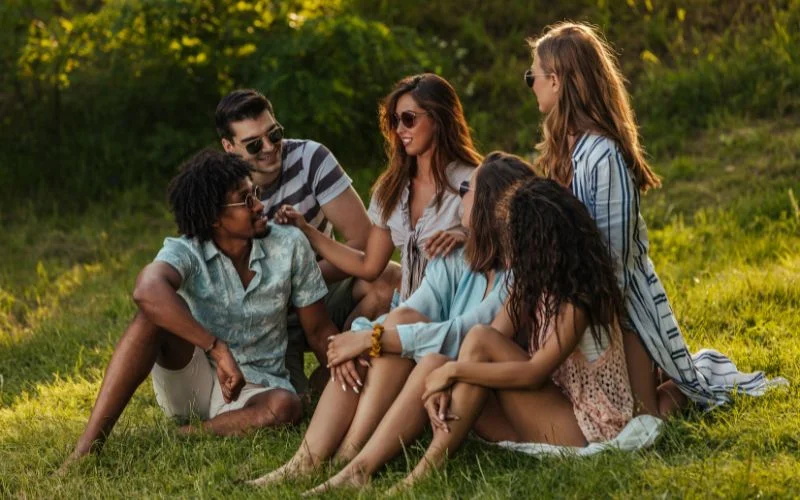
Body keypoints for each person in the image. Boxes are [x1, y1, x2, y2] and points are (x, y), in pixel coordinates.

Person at [524, 21, 780, 415]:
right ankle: (661, 372)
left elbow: (617, 261)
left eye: (533, 77)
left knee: (646, 418)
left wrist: (590, 326)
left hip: (624, 311)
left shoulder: (604, 156)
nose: (532, 85)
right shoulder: (568, 147)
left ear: (556, 81)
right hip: (585, 307)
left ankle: (683, 385)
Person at [248, 152, 536, 491]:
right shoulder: (458, 256)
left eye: (468, 188)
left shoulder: (519, 277)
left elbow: (463, 336)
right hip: (439, 381)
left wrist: (372, 339)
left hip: (479, 392)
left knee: (415, 351)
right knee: (398, 320)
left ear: (490, 203)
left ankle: (352, 462)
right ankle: (309, 461)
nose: (460, 194)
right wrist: (361, 337)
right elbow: (415, 308)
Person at [59, 150, 337, 471]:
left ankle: (187, 435)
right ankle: (86, 449)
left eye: (256, 194)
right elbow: (146, 289)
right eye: (245, 200)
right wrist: (217, 350)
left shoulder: (289, 244)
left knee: (286, 406)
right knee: (150, 317)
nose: (260, 206)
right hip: (192, 380)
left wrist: (344, 364)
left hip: (257, 389)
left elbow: (318, 331)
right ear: (213, 217)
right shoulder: (187, 249)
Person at [393, 178, 635, 489]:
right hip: (549, 406)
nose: (509, 246)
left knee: (468, 354)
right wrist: (450, 378)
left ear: (540, 242)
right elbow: (485, 340)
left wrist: (454, 370)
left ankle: (423, 473)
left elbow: (534, 373)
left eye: (516, 238)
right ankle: (378, 462)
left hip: (584, 425)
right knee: (477, 340)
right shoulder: (531, 281)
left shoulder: (578, 300)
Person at [216, 89, 400, 395]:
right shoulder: (221, 188)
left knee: (388, 277)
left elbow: (366, 245)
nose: (269, 148)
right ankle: (310, 384)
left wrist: (300, 283)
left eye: (274, 134)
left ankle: (339, 363)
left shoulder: (310, 157)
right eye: (253, 144)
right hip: (265, 315)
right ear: (229, 147)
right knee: (288, 404)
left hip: (320, 293)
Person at [274, 73, 482, 308]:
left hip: (455, 314)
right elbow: (368, 266)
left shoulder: (473, 181)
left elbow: (503, 252)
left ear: (438, 119)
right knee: (348, 339)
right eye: (395, 120)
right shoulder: (391, 188)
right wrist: (307, 230)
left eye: (409, 119)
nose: (400, 129)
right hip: (406, 313)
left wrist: (467, 237)